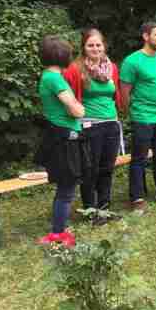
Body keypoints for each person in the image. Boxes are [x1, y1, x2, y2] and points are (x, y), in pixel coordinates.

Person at [62, 28, 122, 217]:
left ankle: (104, 208)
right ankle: (90, 210)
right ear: (84, 47)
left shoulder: (111, 68)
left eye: (98, 44)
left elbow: (114, 94)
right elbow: (67, 98)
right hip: (88, 125)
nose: (95, 48)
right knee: (90, 169)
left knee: (107, 167)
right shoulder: (75, 68)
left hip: (111, 123)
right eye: (90, 45)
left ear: (103, 46)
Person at [120, 22, 156, 210]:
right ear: (145, 36)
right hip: (142, 115)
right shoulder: (132, 61)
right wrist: (129, 112)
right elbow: (124, 91)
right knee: (139, 158)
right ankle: (137, 198)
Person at [36, 36, 86, 245]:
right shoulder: (55, 79)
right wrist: (79, 109)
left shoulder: (48, 76)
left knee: (65, 187)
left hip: (61, 136)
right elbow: (75, 109)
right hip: (65, 138)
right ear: (62, 55)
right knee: (66, 188)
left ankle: (58, 230)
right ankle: (58, 233)